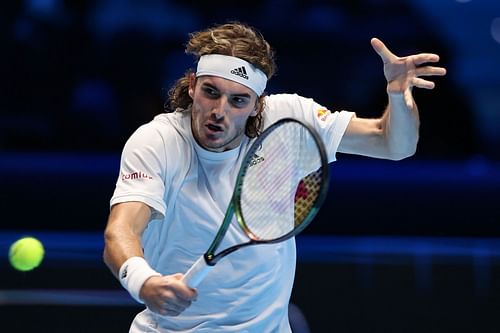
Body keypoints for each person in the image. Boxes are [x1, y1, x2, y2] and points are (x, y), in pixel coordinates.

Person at [103, 22, 446, 332]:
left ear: (257, 105)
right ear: (191, 86)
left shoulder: (288, 121)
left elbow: (394, 144)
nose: (220, 111)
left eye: (238, 100)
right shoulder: (157, 141)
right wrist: (144, 282)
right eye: (211, 92)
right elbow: (121, 230)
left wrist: (398, 97)